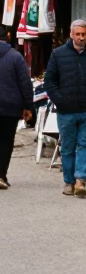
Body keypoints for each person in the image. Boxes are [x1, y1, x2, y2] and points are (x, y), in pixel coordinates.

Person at [44, 19, 86, 198]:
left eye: (84, 34)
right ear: (71, 35)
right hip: (66, 111)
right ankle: (68, 182)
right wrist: (60, 100)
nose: (81, 38)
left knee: (84, 145)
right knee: (68, 147)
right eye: (78, 34)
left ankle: (81, 180)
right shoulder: (58, 54)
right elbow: (50, 81)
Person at [0, 36, 33, 190]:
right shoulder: (15, 56)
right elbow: (25, 83)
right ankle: (1, 175)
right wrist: (28, 107)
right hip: (10, 107)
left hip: (10, 106)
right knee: (6, 141)